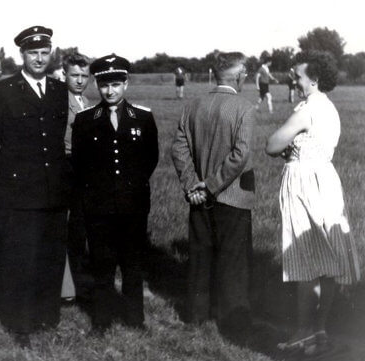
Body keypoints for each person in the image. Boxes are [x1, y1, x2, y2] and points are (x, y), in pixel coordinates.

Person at [0, 25, 69, 348]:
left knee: (51, 258)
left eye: (45, 53)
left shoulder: (59, 91)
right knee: (22, 261)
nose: (40, 59)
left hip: (55, 193)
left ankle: (47, 318)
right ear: (22, 55)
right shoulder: (3, 92)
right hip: (19, 196)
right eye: (34, 53)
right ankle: (20, 324)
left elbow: (56, 142)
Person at [266, 51, 360, 356]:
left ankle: (303, 332)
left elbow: (272, 144)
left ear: (314, 79)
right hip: (326, 181)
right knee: (327, 261)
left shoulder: (307, 109)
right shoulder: (329, 108)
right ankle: (318, 329)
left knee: (306, 260)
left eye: (298, 76)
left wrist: (288, 150)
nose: (294, 80)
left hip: (305, 183)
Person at [171, 52, 255, 343]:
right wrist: (211, 185)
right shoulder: (244, 107)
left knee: (200, 256)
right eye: (245, 72)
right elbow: (240, 154)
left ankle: (196, 315)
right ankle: (233, 322)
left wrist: (193, 185)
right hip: (232, 197)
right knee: (233, 260)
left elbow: (179, 150)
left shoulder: (192, 105)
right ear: (238, 76)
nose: (247, 76)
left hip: (198, 199)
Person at [72, 54, 159, 333]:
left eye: (116, 84)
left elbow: (150, 158)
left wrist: (129, 188)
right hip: (99, 208)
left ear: (126, 84)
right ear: (97, 86)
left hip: (133, 206)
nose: (110, 91)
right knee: (102, 266)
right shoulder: (86, 120)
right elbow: (80, 164)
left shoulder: (143, 117)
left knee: (133, 266)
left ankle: (135, 319)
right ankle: (101, 321)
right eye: (104, 85)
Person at [61, 52, 94, 304]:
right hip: (66, 167)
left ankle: (77, 279)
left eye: (84, 75)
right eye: (75, 75)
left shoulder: (85, 100)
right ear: (65, 74)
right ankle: (66, 287)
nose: (80, 80)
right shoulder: (61, 101)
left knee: (79, 227)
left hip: (83, 169)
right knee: (65, 226)